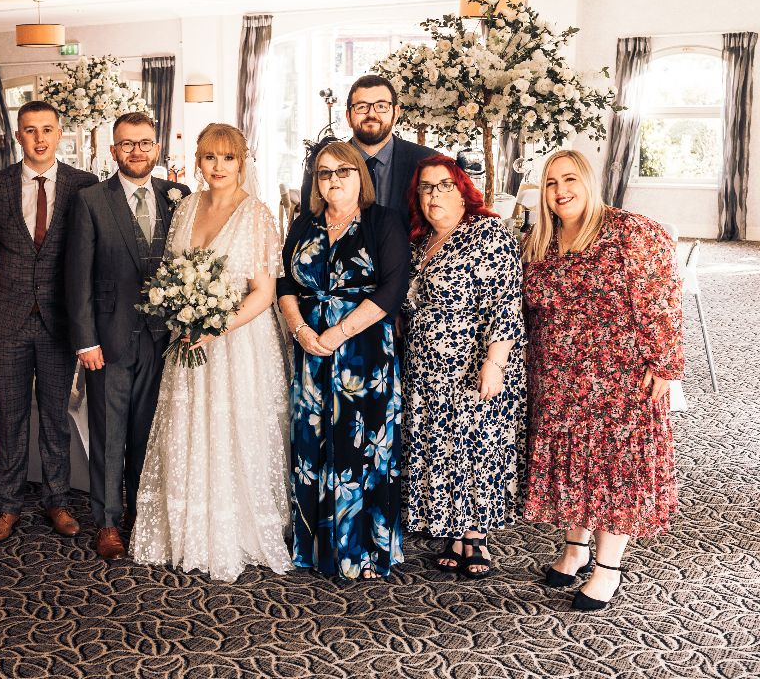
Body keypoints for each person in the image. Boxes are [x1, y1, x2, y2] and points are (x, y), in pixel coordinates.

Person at [522, 148, 683, 611]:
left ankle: (608, 567)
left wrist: (665, 362)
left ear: (590, 182)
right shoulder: (541, 239)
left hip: (620, 376)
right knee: (576, 467)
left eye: (570, 180)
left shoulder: (629, 231)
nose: (561, 191)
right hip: (559, 376)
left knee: (615, 469)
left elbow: (663, 296)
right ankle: (575, 548)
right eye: (551, 183)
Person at [128, 123, 290, 581]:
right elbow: (174, 273)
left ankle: (233, 529)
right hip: (187, 339)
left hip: (238, 344)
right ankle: (186, 528)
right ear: (197, 161)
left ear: (242, 162)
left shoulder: (257, 214)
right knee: (189, 426)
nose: (218, 167)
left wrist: (215, 327)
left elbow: (263, 293)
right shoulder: (186, 207)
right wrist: (185, 316)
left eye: (227, 158)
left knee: (233, 428)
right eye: (209, 157)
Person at [278, 140, 410, 580]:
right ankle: (315, 548)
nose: (334, 180)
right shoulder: (304, 224)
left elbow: (391, 290)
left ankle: (365, 551)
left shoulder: (383, 221)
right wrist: (301, 330)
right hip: (311, 352)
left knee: (363, 447)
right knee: (312, 444)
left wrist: (338, 332)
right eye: (324, 173)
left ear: (361, 176)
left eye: (344, 171)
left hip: (363, 354)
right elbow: (284, 284)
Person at [66, 112, 189, 561]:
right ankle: (107, 522)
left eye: (145, 142)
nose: (137, 150)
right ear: (112, 150)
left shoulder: (178, 196)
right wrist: (85, 340)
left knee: (148, 433)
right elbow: (76, 276)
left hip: (164, 340)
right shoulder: (91, 200)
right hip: (110, 339)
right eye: (127, 143)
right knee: (108, 435)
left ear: (158, 148)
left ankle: (141, 514)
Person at [0, 100, 98, 546]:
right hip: (7, 317)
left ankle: (57, 500)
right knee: (8, 417)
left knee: (54, 418)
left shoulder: (83, 186)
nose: (40, 138)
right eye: (31, 131)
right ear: (18, 136)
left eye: (47, 129)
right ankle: (7, 505)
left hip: (59, 320)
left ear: (59, 132)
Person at [400, 155, 526, 579]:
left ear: (463, 190)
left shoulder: (487, 233)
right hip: (424, 367)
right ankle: (453, 529)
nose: (434, 195)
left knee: (475, 446)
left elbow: (505, 302)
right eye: (426, 187)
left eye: (444, 186)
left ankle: (475, 536)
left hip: (471, 363)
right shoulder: (420, 242)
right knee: (442, 446)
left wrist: (495, 362)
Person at [300, 75, 435, 225]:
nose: (371, 114)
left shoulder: (428, 161)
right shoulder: (321, 165)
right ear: (348, 117)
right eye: (362, 107)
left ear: (396, 113)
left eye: (381, 106)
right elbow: (308, 227)